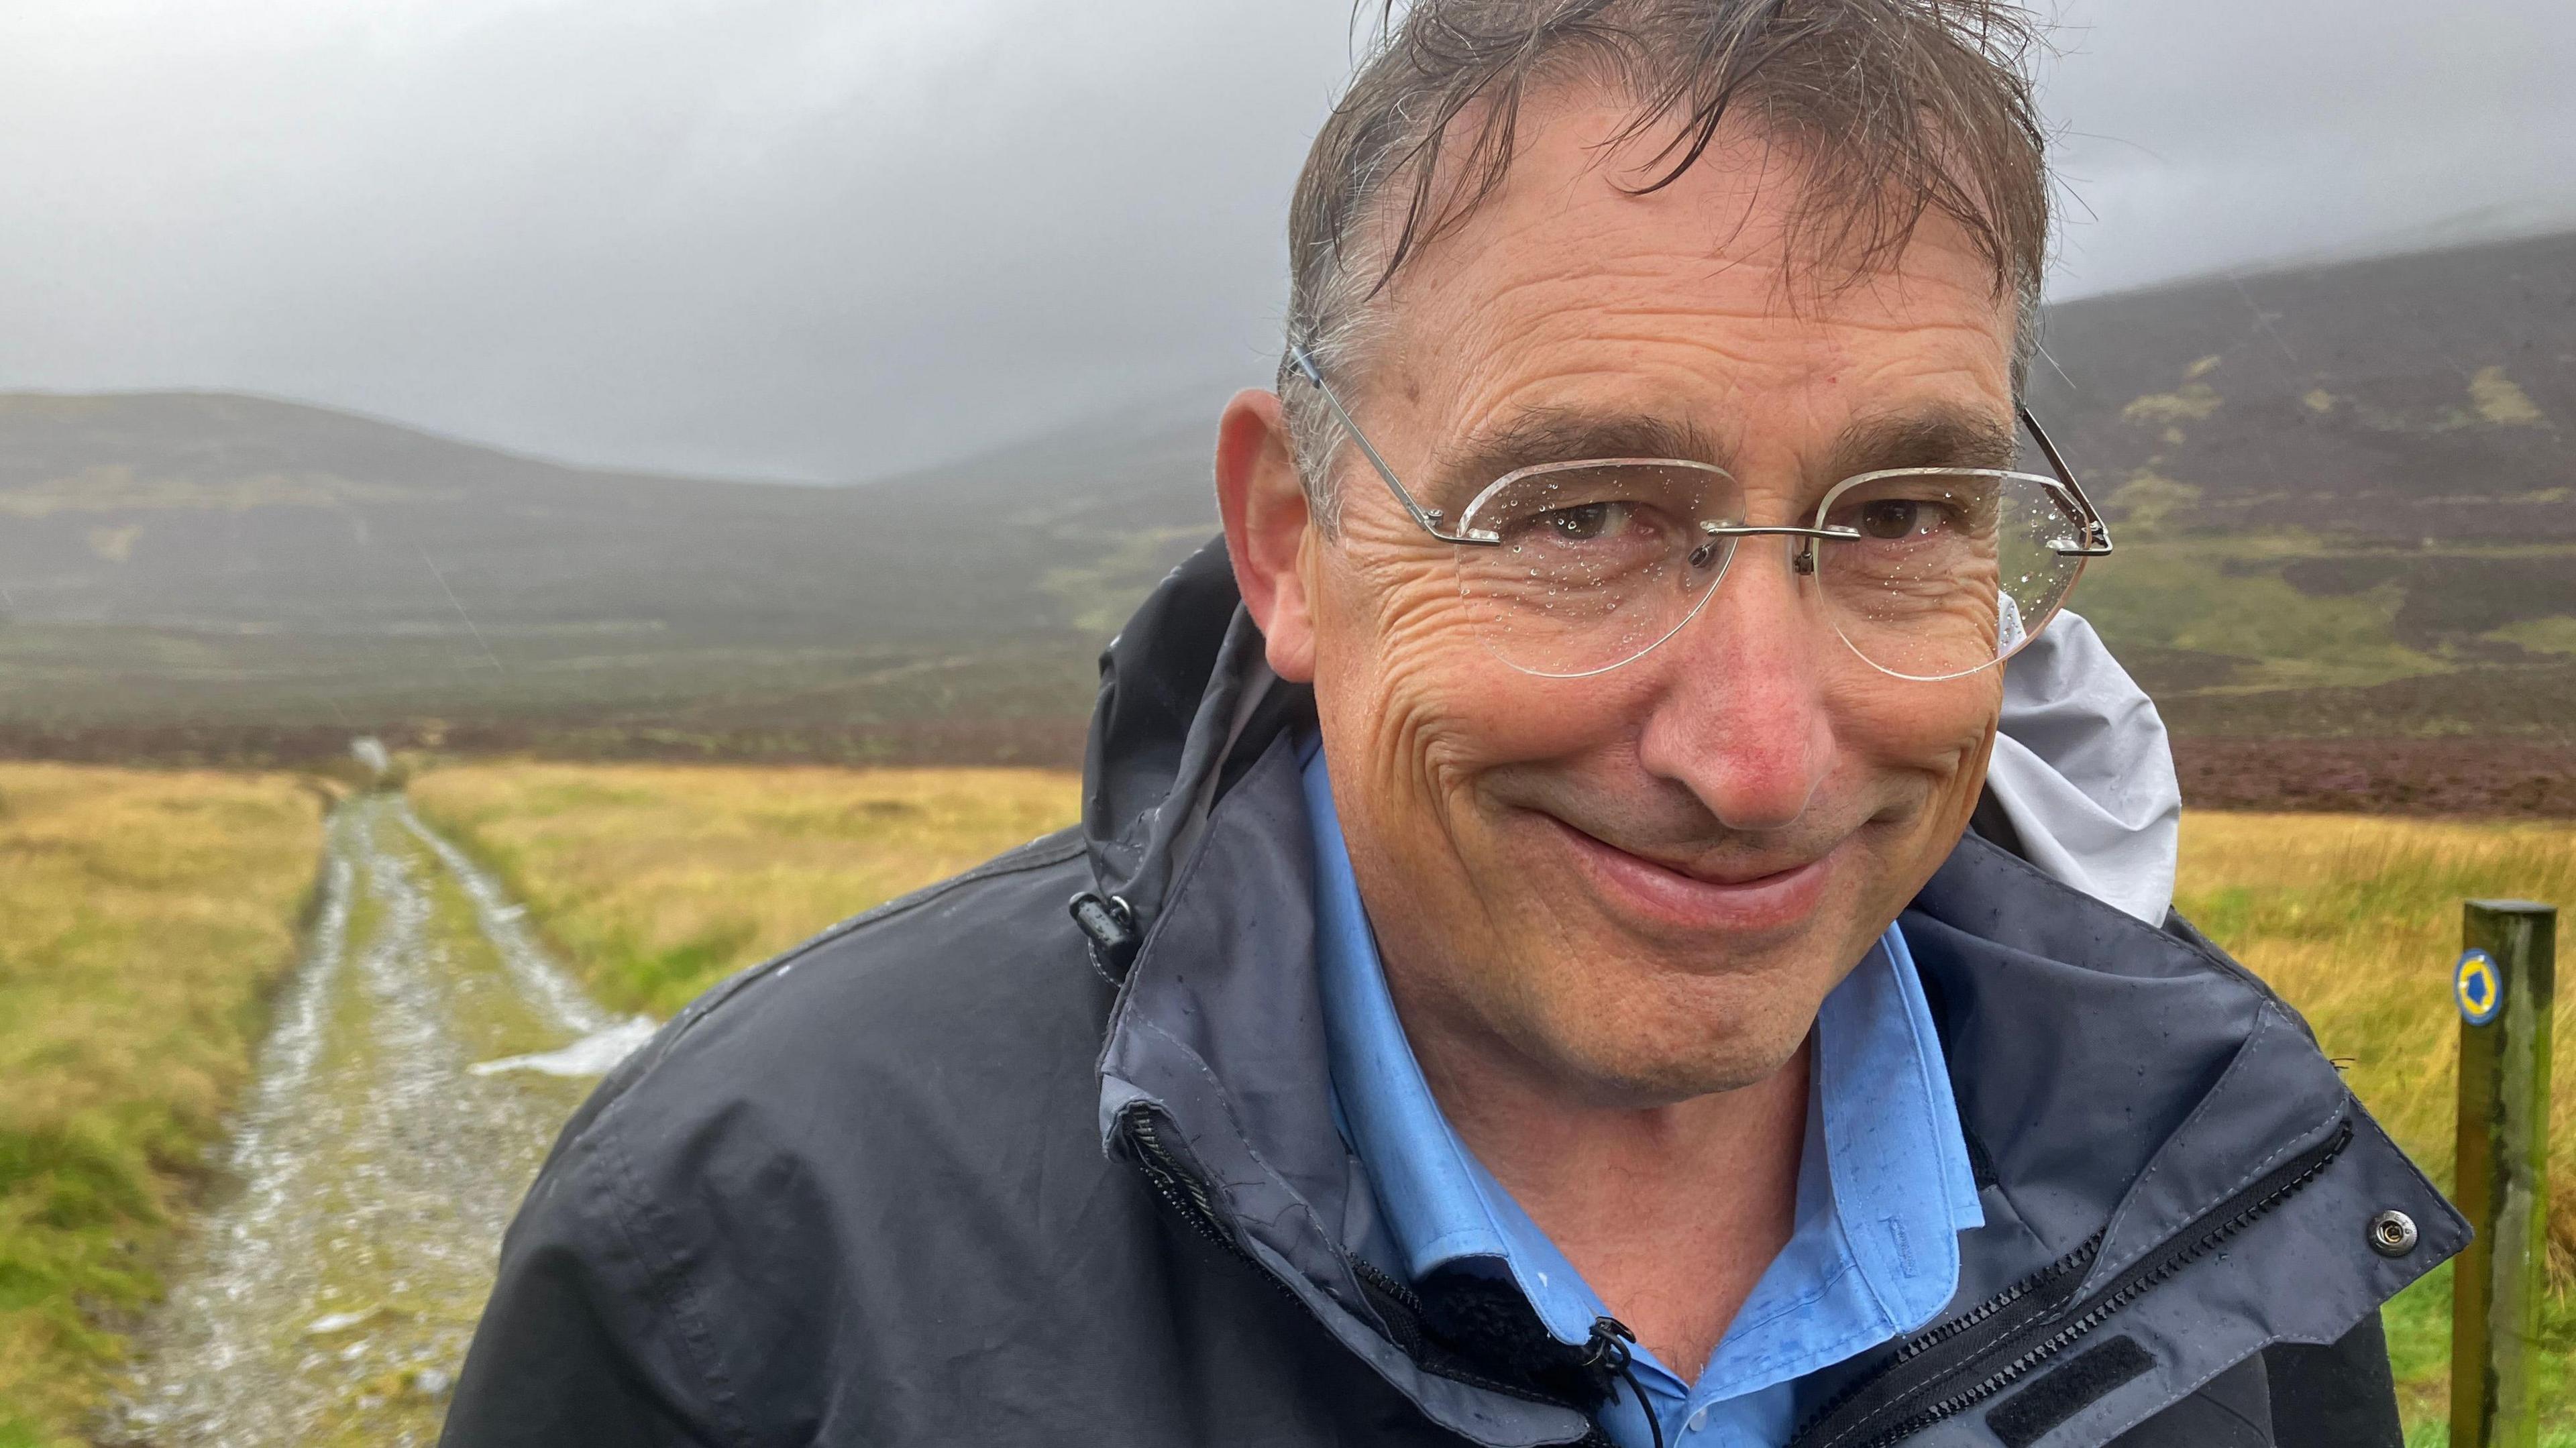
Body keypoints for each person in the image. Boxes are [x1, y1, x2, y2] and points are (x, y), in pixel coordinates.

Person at [441, 3, 2462, 1444]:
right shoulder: (758, 1244)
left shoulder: (2207, 1180)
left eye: (1905, 518)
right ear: (1292, 542)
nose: (1760, 758)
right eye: (1580, 514)